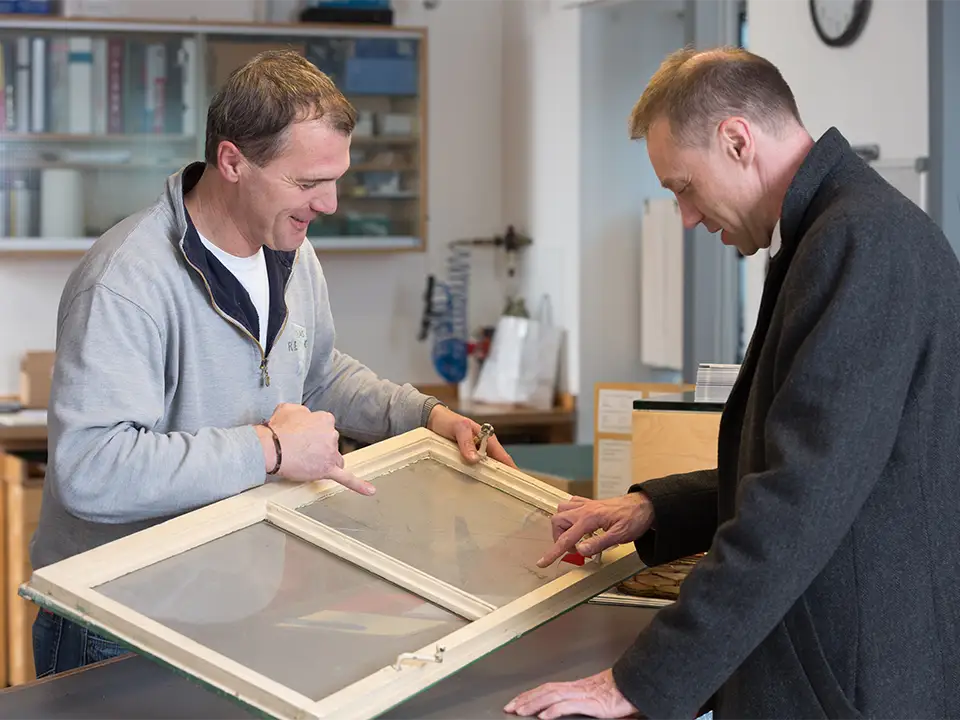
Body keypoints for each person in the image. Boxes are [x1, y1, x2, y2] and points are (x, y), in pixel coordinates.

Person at [505, 46, 960, 720]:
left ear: (737, 140)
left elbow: (803, 496)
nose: (686, 218)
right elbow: (823, 458)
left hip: (855, 684)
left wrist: (639, 681)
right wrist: (657, 508)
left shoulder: (859, 239)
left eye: (683, 187)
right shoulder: (835, 229)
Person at [29, 50, 513, 678]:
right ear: (232, 162)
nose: (331, 203)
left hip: (234, 603)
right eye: (308, 183)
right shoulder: (127, 281)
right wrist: (272, 451)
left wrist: (424, 416)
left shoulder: (290, 254)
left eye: (335, 178)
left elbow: (314, 373)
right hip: (120, 624)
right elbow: (91, 470)